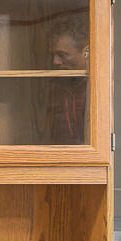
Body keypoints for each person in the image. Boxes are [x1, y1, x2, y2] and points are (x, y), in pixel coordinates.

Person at [41, 13, 90, 144]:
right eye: (53, 55)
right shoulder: (55, 85)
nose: (55, 61)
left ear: (87, 52)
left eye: (62, 55)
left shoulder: (98, 87)